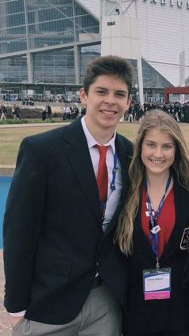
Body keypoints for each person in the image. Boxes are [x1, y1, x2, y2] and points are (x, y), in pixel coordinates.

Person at [3, 55, 134, 336]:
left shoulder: (131, 154)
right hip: (49, 302)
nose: (110, 101)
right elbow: (19, 231)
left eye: (119, 94)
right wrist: (15, 307)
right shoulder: (42, 151)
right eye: (102, 91)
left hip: (105, 303)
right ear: (84, 95)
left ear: (128, 103)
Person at [117, 109, 189, 336]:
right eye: (151, 145)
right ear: (140, 147)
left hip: (180, 312)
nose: (158, 154)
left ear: (177, 149)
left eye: (167, 146)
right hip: (137, 312)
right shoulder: (125, 192)